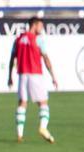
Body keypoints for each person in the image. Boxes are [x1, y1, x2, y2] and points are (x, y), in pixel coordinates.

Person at [7, 16, 57, 144]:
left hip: (22, 75)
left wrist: (9, 77)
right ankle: (43, 128)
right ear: (34, 25)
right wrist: (53, 76)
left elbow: (12, 59)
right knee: (43, 103)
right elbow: (46, 59)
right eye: (40, 25)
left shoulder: (18, 39)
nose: (42, 28)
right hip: (35, 75)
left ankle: (19, 134)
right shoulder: (38, 39)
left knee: (22, 103)